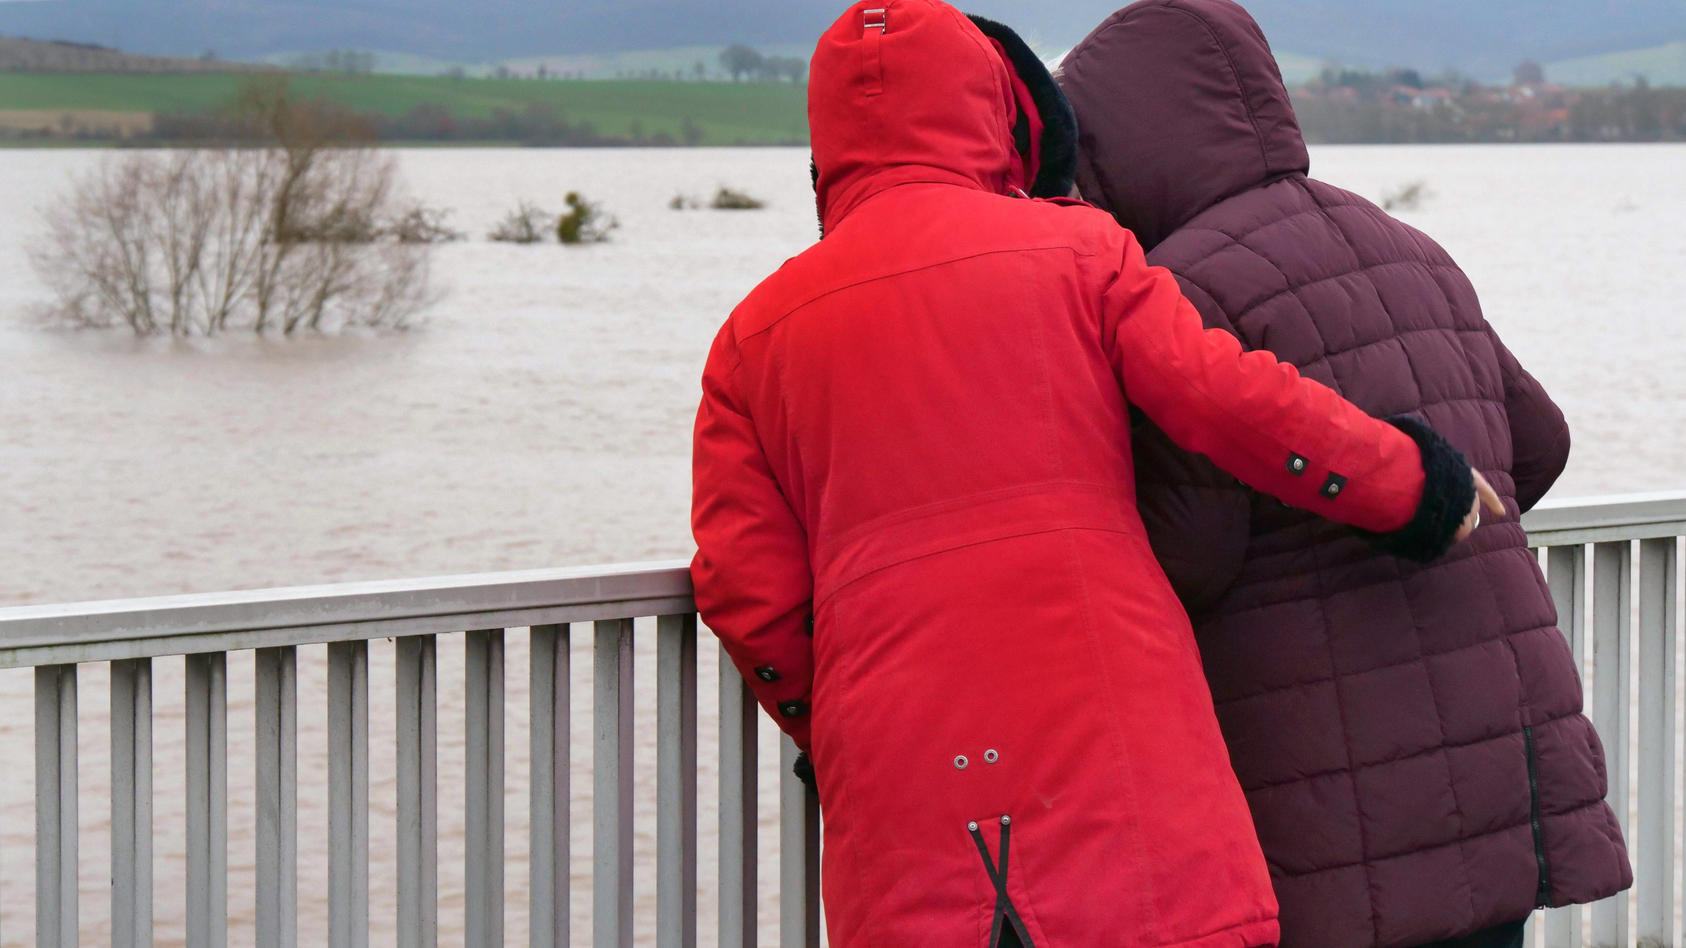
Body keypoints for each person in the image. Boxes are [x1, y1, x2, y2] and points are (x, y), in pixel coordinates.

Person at [691, 2, 1491, 945]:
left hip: (899, 766)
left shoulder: (753, 336)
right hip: (1118, 738)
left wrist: (826, 723)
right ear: (997, 109)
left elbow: (743, 590)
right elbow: (1226, 400)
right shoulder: (1081, 254)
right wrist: (1410, 485)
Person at [1056, 2, 1632, 946]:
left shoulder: (1177, 292)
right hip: (1500, 761)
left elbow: (1192, 553)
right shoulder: (1405, 244)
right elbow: (1540, 443)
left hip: (1337, 793)